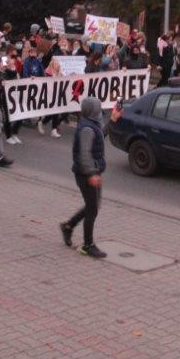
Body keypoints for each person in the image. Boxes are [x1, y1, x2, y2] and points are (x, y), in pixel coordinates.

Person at [60, 97, 121, 258]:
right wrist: (91, 173)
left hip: (91, 171)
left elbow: (101, 135)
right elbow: (84, 153)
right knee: (92, 208)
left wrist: (113, 120)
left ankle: (68, 226)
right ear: (92, 111)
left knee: (92, 206)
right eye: (98, 108)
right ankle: (88, 245)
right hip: (86, 174)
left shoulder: (91, 124)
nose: (100, 111)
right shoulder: (87, 128)